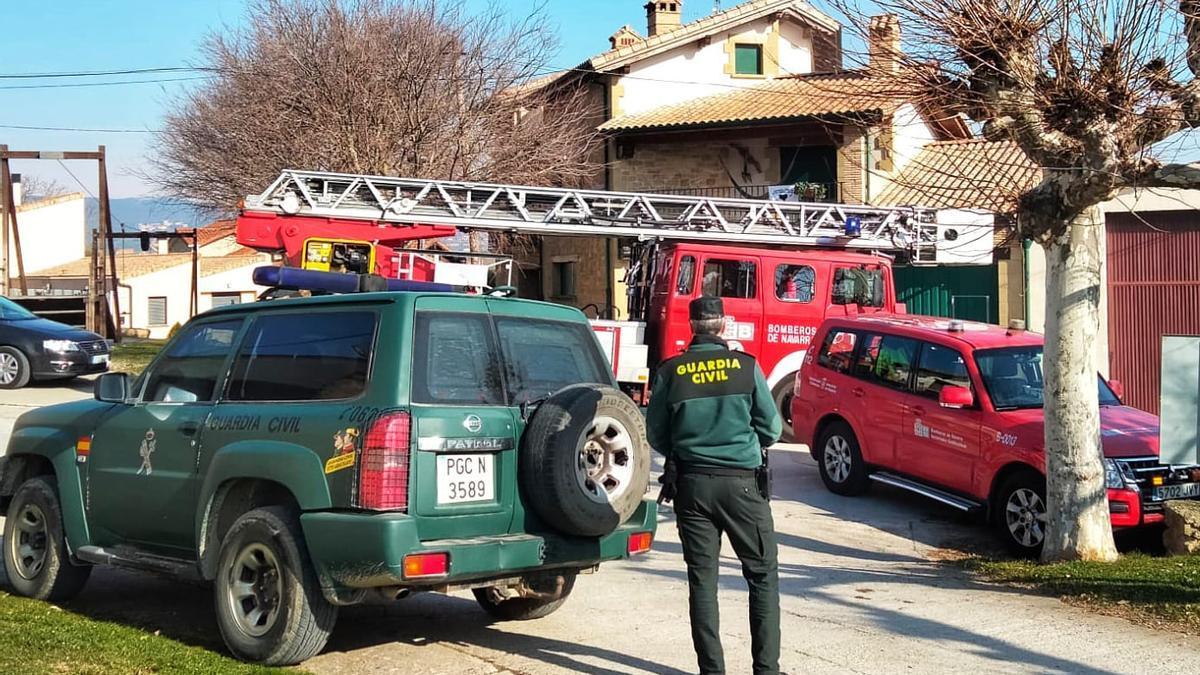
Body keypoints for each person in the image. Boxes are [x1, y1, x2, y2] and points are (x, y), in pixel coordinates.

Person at [646, 295, 784, 675]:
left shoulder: (671, 371)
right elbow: (771, 429)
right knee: (761, 576)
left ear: (692, 327)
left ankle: (712, 671)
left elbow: (656, 433)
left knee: (702, 581)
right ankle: (766, 670)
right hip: (742, 487)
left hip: (691, 487)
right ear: (724, 324)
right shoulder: (745, 367)